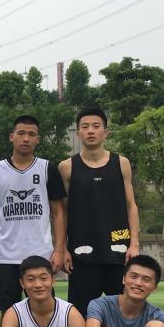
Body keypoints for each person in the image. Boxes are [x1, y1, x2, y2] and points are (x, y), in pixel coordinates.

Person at [59, 107, 141, 316]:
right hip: (81, 253)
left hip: (118, 251)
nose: (90, 131)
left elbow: (131, 205)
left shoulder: (121, 163)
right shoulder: (67, 167)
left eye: (96, 126)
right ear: (78, 133)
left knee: (124, 313)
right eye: (85, 127)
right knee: (80, 315)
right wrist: (62, 248)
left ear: (106, 132)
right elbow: (62, 212)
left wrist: (134, 244)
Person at [0, 115, 66, 313]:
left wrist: (59, 250)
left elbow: (58, 213)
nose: (26, 139)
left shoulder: (48, 169)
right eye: (21, 133)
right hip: (4, 256)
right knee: (7, 311)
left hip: (40, 254)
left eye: (31, 134)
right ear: (12, 137)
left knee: (43, 312)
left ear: (38, 139)